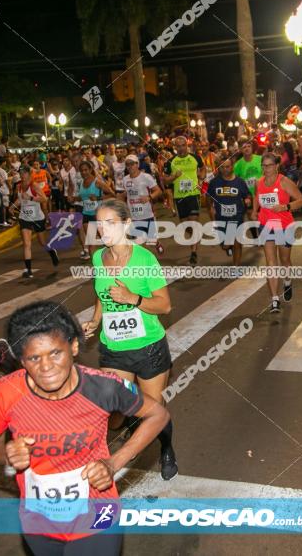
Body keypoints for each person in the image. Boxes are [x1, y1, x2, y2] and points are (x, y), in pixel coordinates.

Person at [0, 300, 168, 555]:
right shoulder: (5, 392)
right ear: (22, 360)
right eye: (34, 357)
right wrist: (7, 454)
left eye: (56, 353)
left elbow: (158, 414)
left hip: (99, 512)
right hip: (38, 520)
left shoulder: (103, 387)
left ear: (74, 346)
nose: (46, 367)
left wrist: (113, 463)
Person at [80, 199, 178, 480]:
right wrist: (95, 321)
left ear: (126, 224)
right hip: (114, 349)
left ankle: (167, 448)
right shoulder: (100, 258)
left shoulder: (145, 259)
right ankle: (132, 433)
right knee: (113, 413)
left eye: (110, 223)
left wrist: (133, 298)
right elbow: (102, 295)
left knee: (151, 410)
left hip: (148, 349)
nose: (102, 229)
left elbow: (165, 305)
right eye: (99, 223)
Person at [252, 153, 302, 313]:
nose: (265, 168)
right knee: (270, 262)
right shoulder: (259, 182)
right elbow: (257, 197)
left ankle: (287, 281)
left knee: (285, 260)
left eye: (269, 165)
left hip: (284, 226)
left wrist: (285, 207)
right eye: (263, 165)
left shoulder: (284, 182)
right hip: (266, 225)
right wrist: (255, 211)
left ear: (276, 166)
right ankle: (275, 300)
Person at [11, 166, 60, 278]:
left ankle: (52, 252)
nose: (22, 175)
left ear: (29, 174)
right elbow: (20, 199)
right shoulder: (19, 186)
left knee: (42, 242)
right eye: (21, 173)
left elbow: (44, 199)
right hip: (24, 218)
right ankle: (28, 270)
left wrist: (31, 198)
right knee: (27, 244)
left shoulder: (34, 185)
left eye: (24, 173)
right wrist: (13, 205)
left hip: (37, 217)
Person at [162, 136, 205, 265]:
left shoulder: (195, 158)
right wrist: (173, 176)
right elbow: (165, 180)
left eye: (183, 145)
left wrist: (201, 179)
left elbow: (202, 168)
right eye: (178, 146)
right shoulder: (170, 162)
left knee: (193, 222)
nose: (181, 148)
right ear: (175, 147)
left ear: (187, 145)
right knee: (186, 226)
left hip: (193, 194)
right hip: (179, 197)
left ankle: (193, 253)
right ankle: (195, 237)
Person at [207, 154, 250, 265]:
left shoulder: (240, 182)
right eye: (222, 167)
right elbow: (208, 199)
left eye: (227, 167)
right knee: (225, 245)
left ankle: (235, 267)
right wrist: (211, 212)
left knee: (237, 243)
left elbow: (247, 195)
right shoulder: (214, 183)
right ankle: (227, 247)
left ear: (232, 166)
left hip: (237, 216)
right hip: (220, 218)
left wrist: (247, 200)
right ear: (219, 167)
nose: (225, 169)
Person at [123, 154, 164, 255]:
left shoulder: (146, 177)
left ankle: (157, 243)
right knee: (139, 242)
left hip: (147, 214)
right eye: (127, 164)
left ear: (137, 164)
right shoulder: (125, 179)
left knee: (151, 239)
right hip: (134, 216)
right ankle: (146, 262)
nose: (130, 166)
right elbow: (126, 194)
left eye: (132, 164)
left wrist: (149, 197)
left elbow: (158, 191)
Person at [75, 161, 115, 261]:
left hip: (98, 215)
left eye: (86, 170)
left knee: (106, 241)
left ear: (90, 170)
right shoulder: (81, 183)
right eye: (81, 171)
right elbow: (83, 197)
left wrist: (97, 198)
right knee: (91, 242)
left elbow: (112, 194)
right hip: (86, 214)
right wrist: (76, 198)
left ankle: (115, 260)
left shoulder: (97, 182)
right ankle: (96, 269)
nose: (83, 172)